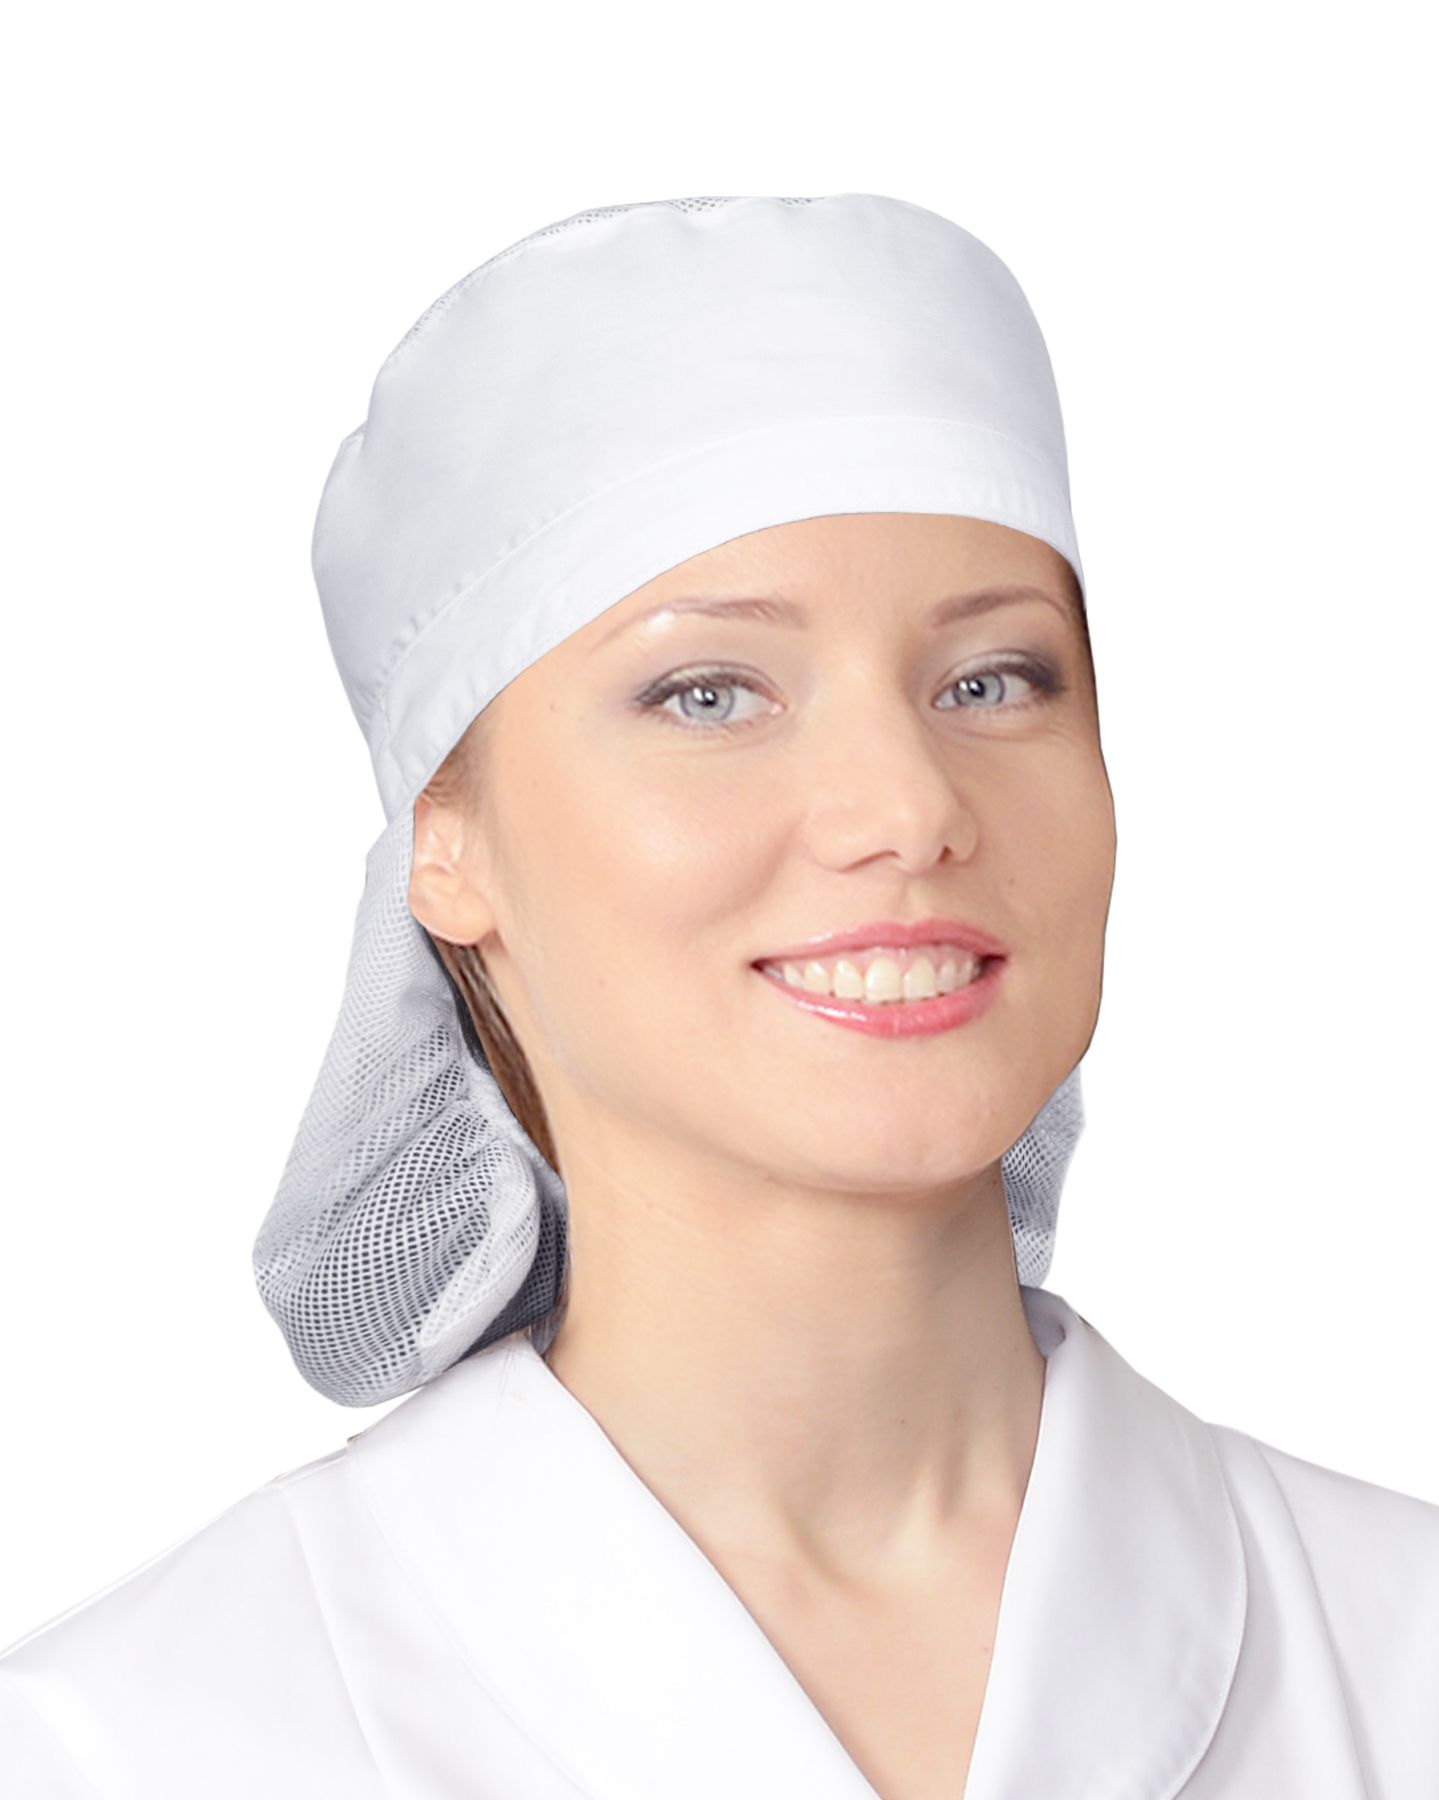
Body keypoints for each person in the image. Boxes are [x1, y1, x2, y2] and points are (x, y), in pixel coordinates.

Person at [2, 193, 1436, 1800]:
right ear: (444, 846)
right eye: (709, 694)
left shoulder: (1405, 1653)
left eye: (992, 679)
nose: (908, 807)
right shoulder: (125, 1745)